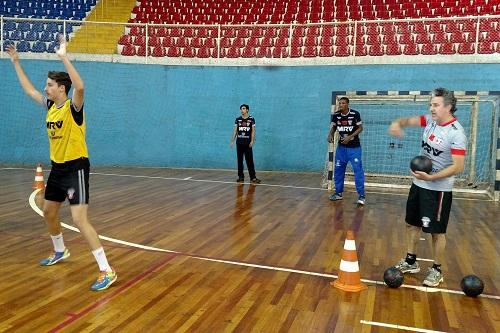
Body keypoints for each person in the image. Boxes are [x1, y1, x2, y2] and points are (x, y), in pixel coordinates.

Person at [7, 35, 117, 291]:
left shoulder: (73, 108)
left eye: (49, 85)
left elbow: (80, 87)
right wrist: (15, 62)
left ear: (61, 88)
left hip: (76, 167)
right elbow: (29, 91)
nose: (45, 88)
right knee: (48, 211)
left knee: (79, 219)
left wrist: (63, 56)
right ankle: (60, 250)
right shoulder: (50, 107)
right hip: (57, 167)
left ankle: (106, 269)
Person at [388, 87, 466, 287]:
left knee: (436, 232)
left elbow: (458, 166)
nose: (431, 108)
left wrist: (432, 178)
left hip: (438, 189)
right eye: (431, 104)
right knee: (411, 224)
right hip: (419, 183)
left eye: (436, 105)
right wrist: (397, 123)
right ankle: (410, 260)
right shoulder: (429, 121)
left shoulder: (456, 133)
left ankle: (437, 269)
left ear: (448, 107)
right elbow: (408, 121)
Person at [327, 97, 366, 205]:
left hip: (354, 149)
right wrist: (330, 134)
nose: (341, 105)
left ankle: (361, 196)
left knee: (358, 171)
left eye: (343, 103)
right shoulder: (336, 115)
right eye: (340, 103)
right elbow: (334, 127)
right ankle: (338, 193)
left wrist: (349, 137)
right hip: (341, 149)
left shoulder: (355, 114)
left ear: (348, 104)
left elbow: (360, 128)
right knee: (338, 170)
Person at [230, 104, 261, 184]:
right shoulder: (238, 119)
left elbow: (253, 131)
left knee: (249, 161)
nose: (242, 110)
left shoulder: (251, 119)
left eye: (243, 108)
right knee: (239, 160)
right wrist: (232, 141)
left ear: (247, 110)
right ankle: (241, 177)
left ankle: (253, 178)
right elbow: (235, 131)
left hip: (247, 143)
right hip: (239, 143)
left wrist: (252, 141)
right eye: (241, 109)